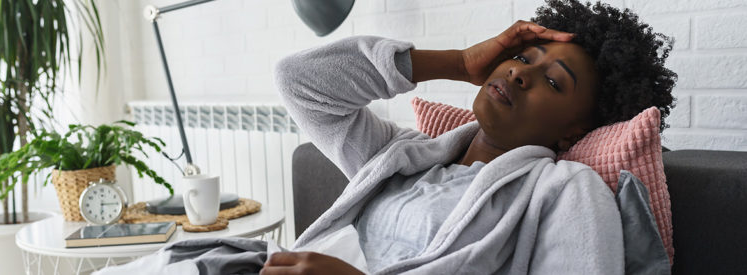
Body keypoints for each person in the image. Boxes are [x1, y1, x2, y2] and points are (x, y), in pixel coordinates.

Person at [262, 0, 675, 274]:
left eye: (551, 81)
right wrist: (458, 62)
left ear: (574, 132)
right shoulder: (401, 157)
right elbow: (299, 81)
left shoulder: (566, 191)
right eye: (520, 57)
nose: (519, 72)